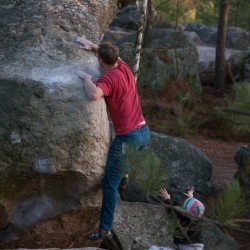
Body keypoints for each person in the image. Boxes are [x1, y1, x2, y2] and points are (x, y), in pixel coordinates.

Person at [75, 37, 150, 241]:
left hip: (129, 138)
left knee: (109, 184)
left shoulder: (107, 79)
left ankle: (105, 229)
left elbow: (94, 95)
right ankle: (124, 175)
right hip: (144, 132)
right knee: (121, 167)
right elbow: (107, 52)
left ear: (100, 62)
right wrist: (94, 46)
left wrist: (86, 79)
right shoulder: (123, 66)